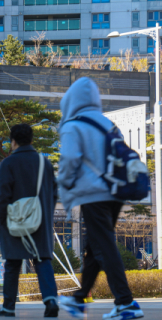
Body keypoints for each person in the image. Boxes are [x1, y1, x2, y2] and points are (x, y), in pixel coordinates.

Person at [57, 77, 144, 319]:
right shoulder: (107, 123)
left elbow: (70, 160)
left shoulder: (73, 125)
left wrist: (63, 188)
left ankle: (126, 303)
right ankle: (79, 299)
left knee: (104, 246)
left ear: (71, 101)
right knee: (95, 247)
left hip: (92, 194)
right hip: (114, 193)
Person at [0, 124, 59, 318]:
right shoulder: (44, 162)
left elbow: (3, 196)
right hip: (40, 221)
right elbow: (54, 193)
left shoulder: (8, 163)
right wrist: (45, 215)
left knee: (13, 264)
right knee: (42, 260)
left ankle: (8, 307)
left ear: (13, 141)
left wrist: (3, 221)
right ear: (32, 140)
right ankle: (50, 300)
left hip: (14, 221)